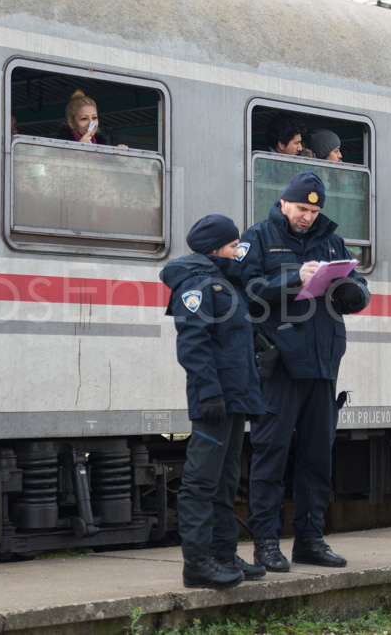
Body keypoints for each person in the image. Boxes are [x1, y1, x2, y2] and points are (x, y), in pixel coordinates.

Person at [237, 172, 370, 572]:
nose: (308, 217)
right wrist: (295, 277)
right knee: (271, 456)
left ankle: (310, 539)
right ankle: (265, 543)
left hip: (323, 363)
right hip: (278, 365)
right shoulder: (258, 237)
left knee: (317, 459)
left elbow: (360, 287)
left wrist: (350, 289)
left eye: (314, 210)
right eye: (301, 209)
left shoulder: (331, 241)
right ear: (283, 203)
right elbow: (247, 288)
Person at [160, 214, 268, 590]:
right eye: (235, 243)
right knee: (201, 482)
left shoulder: (225, 283)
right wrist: (209, 392)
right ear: (218, 246)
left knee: (224, 482)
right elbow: (192, 344)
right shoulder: (197, 283)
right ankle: (197, 563)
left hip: (234, 398)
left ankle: (223, 553)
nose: (240, 249)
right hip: (215, 398)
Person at [61, 90, 128, 148]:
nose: (91, 123)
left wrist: (117, 158)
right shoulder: (60, 145)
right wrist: (79, 149)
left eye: (94, 118)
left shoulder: (102, 143)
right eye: (84, 118)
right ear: (71, 124)